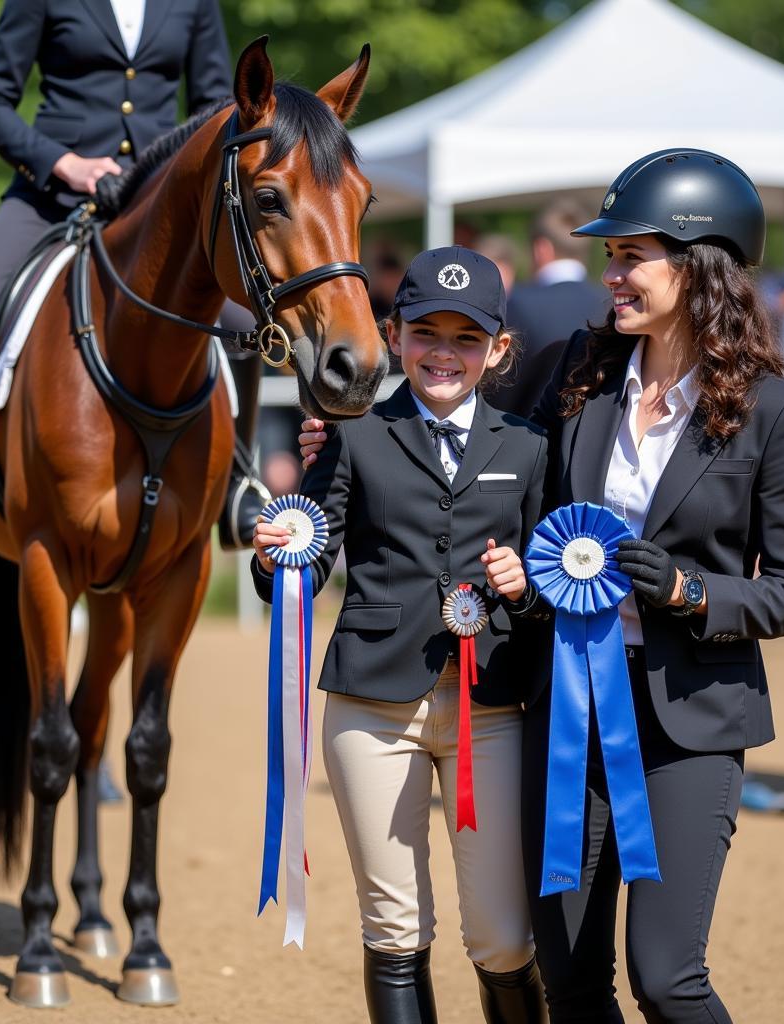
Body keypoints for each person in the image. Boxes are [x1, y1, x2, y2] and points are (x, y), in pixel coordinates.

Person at [298, 150, 784, 1021]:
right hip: (564, 716)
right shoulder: (581, 374)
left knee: (666, 978)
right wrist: (346, 449)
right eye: (609, 256)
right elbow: (477, 452)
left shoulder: (774, 410)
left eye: (629, 257)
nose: (607, 273)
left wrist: (689, 592)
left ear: (699, 268)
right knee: (571, 981)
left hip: (687, 722)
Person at [263, 247, 550, 1024]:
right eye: (427, 332)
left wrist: (524, 591)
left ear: (497, 349)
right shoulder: (351, 434)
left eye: (466, 337)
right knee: (394, 927)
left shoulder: (528, 447)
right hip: (370, 705)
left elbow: (550, 587)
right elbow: (307, 555)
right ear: (394, 336)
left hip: (490, 709)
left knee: (503, 936)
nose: (444, 353)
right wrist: (277, 555)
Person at [0, 0, 265, 551]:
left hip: (158, 198)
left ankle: (240, 481)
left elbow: (220, 105)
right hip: (52, 190)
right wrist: (63, 163)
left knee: (240, 321)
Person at [495, 200, 608, 418]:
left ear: (541, 249)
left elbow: (500, 387)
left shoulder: (517, 303)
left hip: (528, 439)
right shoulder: (610, 304)